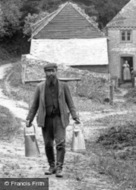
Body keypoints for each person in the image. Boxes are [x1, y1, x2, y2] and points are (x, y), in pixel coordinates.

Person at [26, 63, 80, 178]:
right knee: (48, 144)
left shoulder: (63, 86)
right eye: (48, 71)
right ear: (45, 73)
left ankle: (59, 167)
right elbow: (34, 105)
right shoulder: (40, 87)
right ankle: (52, 166)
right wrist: (29, 119)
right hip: (46, 119)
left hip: (59, 118)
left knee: (60, 143)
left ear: (56, 71)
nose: (50, 73)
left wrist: (75, 116)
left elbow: (70, 102)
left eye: (52, 71)